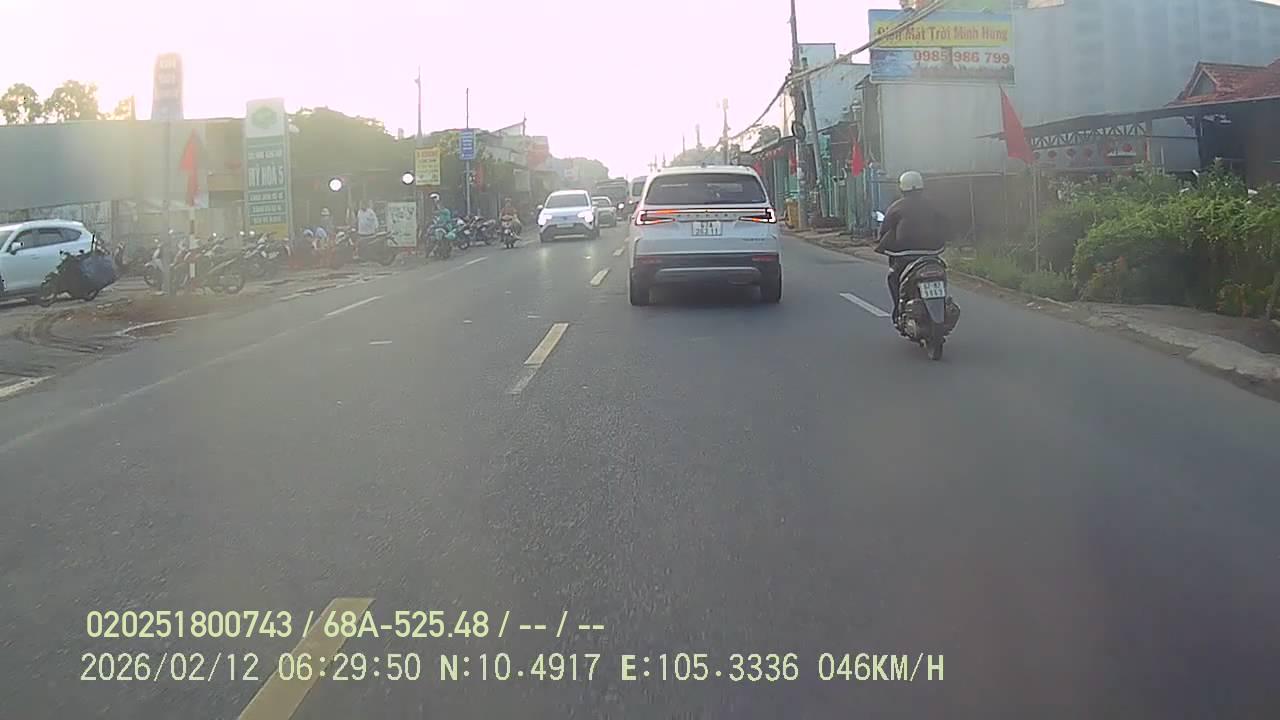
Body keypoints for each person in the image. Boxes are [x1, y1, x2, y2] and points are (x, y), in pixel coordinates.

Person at [875, 171, 950, 322]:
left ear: (902, 188)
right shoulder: (933, 204)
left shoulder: (896, 207)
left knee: (893, 277)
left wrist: (882, 243)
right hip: (932, 252)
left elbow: (884, 230)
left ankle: (898, 310)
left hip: (905, 254)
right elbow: (945, 224)